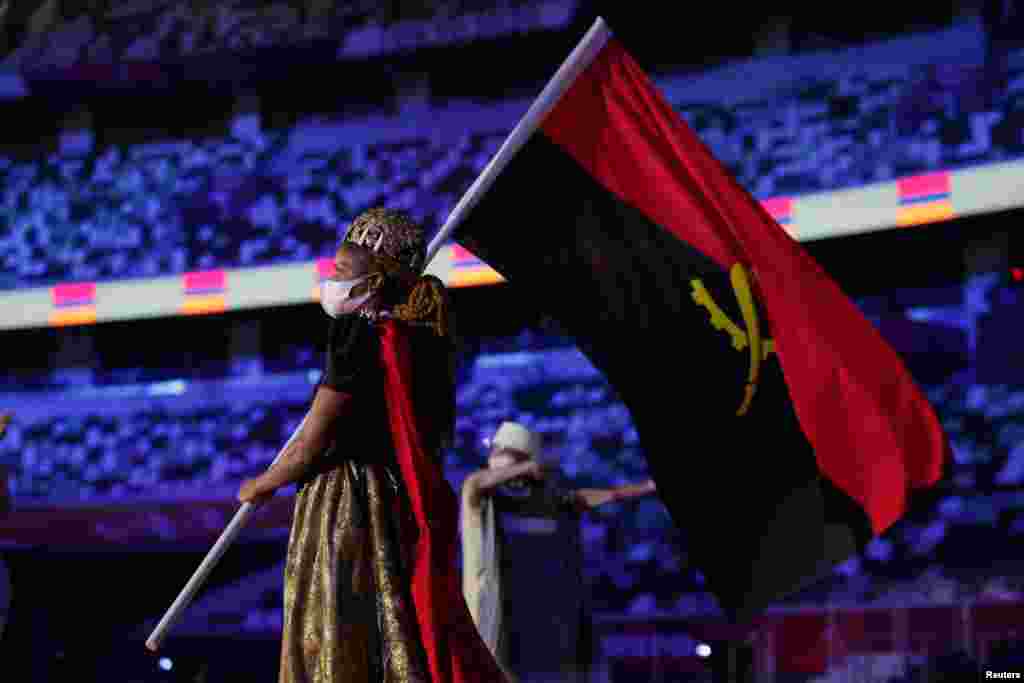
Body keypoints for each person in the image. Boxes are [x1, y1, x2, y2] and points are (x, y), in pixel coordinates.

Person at [238, 208, 506, 683]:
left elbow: (314, 436)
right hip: (392, 496)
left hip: (343, 500)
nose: (331, 280)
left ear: (374, 282)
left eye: (341, 272)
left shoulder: (357, 333)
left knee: (339, 623)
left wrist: (265, 483)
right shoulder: (421, 338)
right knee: (390, 623)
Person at [461, 421, 657, 682]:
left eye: (500, 452)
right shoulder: (482, 496)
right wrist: (528, 466)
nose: (493, 458)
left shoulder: (544, 499)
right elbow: (475, 483)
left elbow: (591, 497)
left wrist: (644, 488)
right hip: (489, 616)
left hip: (538, 624)